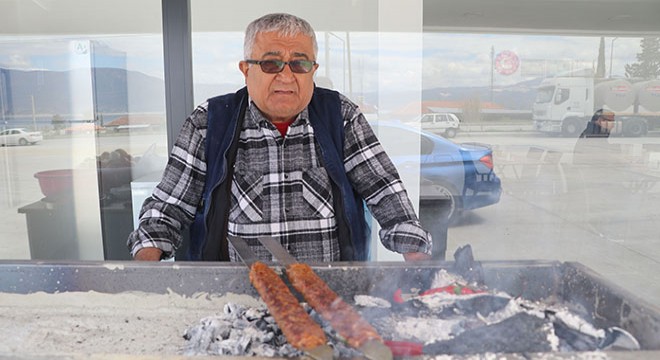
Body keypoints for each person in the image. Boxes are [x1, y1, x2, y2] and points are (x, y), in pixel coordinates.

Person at [127, 13, 432, 262]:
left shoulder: (341, 116)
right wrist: (144, 272)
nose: (286, 76)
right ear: (246, 70)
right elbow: (168, 206)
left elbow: (385, 191)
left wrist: (417, 259)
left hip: (331, 297)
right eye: (271, 63)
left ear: (313, 70)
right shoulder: (208, 122)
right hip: (235, 297)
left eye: (299, 63)